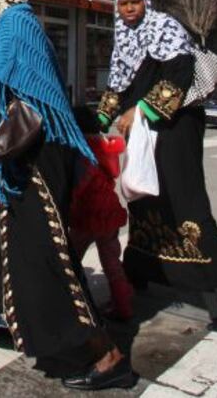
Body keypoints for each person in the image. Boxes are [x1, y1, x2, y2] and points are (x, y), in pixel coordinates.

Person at [0, 0, 137, 390]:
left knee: (43, 258)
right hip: (37, 155)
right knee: (24, 251)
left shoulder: (13, 28)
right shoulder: (29, 26)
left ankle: (104, 356)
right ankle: (13, 321)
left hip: (34, 160)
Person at [98, 0, 217, 334]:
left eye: (134, 2)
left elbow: (180, 76)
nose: (128, 9)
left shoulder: (165, 28)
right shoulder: (124, 37)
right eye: (122, 3)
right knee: (144, 202)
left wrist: (139, 110)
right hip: (143, 132)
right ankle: (138, 277)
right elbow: (119, 85)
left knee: (185, 202)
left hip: (177, 130)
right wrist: (97, 120)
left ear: (145, 1)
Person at [70, 107, 133, 320]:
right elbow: (112, 173)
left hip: (86, 214)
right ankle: (123, 305)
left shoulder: (81, 150)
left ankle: (76, 302)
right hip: (109, 212)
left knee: (71, 260)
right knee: (112, 263)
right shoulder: (106, 147)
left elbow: (80, 183)